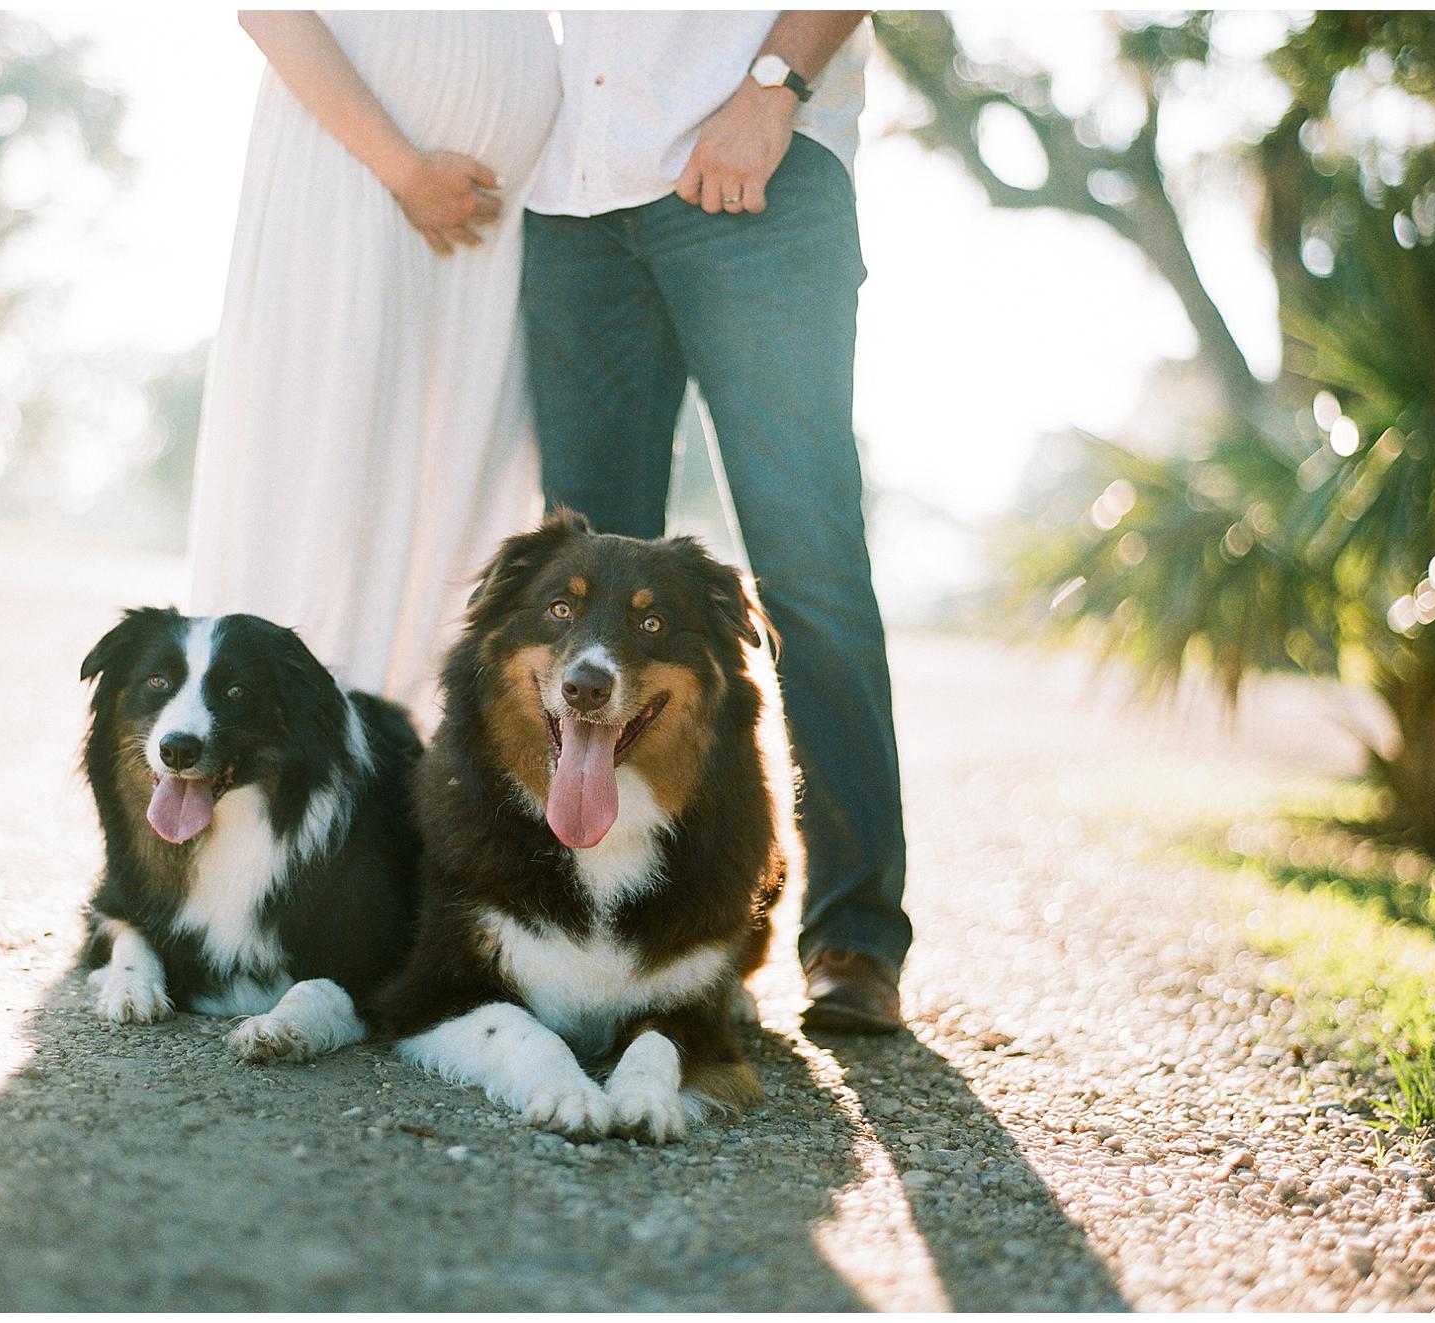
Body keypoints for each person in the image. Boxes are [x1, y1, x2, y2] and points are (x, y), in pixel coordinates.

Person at [520, 12, 913, 1032]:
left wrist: (772, 88)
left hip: (754, 172)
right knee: (584, 614)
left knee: (807, 570)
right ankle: (615, 931)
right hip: (574, 201)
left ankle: (854, 935)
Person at [185, 13, 559, 721]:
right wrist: (405, 169)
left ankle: (400, 767)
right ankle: (257, 747)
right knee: (318, 464)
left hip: (497, 223)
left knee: (459, 485)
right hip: (350, 167)